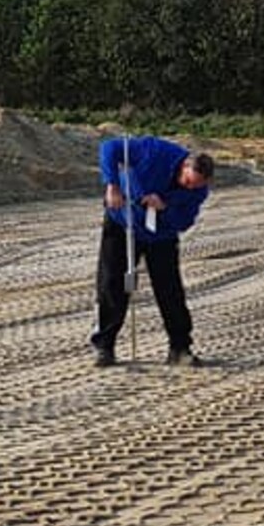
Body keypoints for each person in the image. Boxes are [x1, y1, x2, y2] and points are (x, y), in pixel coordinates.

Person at [90, 135, 215, 367]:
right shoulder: (154, 151)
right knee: (112, 284)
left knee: (170, 290)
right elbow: (110, 147)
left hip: (161, 235)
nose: (190, 188)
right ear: (185, 165)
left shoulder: (199, 191)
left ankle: (179, 348)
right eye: (188, 182)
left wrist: (165, 207)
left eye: (196, 186)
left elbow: (184, 221)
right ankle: (104, 346)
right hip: (122, 223)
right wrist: (112, 185)